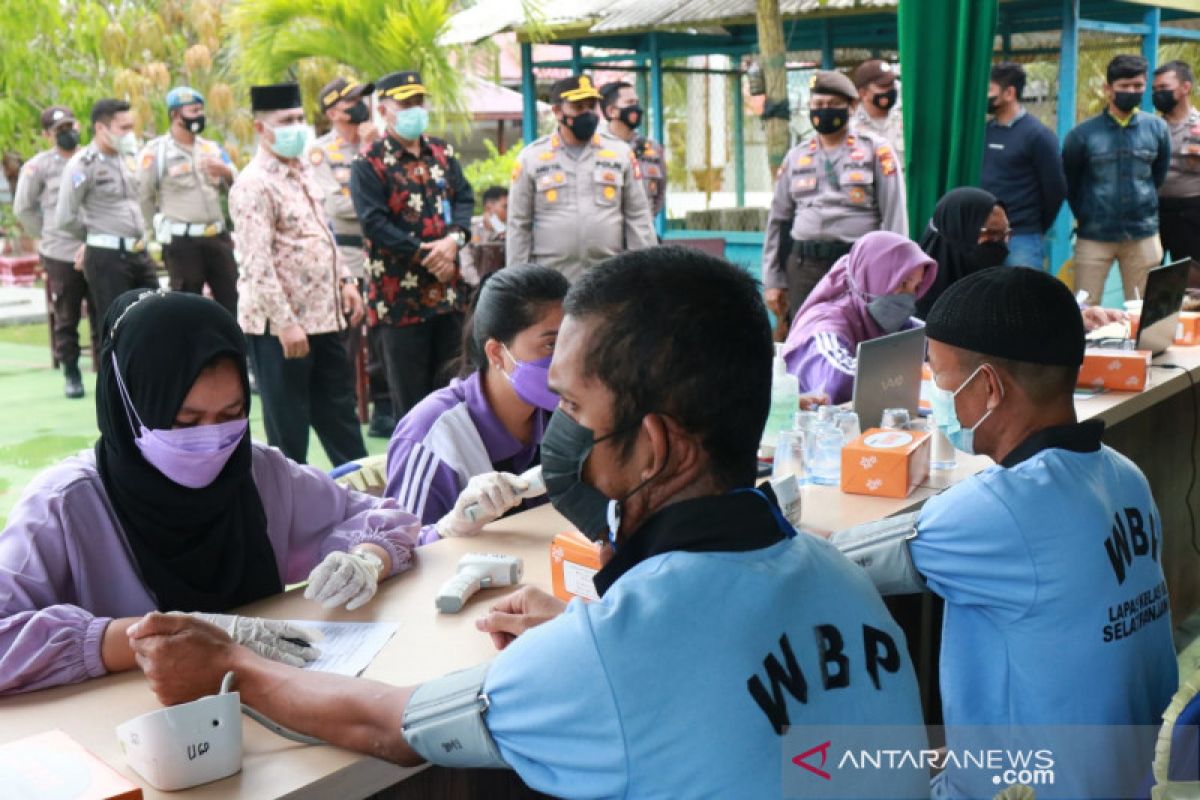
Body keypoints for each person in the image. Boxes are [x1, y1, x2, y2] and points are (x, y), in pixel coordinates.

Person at [128, 246, 928, 798]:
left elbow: (389, 724)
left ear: (651, 446)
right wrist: (590, 621)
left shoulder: (617, 653)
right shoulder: (843, 581)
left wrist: (231, 662)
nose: (562, 431)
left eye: (575, 408)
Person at [834, 267, 1178, 797]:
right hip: (1123, 776)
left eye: (942, 381)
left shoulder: (1000, 509)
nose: (936, 401)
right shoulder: (1124, 476)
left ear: (990, 386)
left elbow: (838, 563)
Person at [0, 290, 420, 696]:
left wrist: (367, 560)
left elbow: (384, 519)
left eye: (231, 415)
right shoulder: (64, 507)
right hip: (136, 738)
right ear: (128, 407)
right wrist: (162, 640)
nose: (212, 441)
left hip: (270, 704)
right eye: (185, 421)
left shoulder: (258, 472)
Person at [230, 82, 367, 466]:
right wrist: (286, 324)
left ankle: (367, 506)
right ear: (261, 129)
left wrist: (346, 282)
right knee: (289, 431)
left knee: (341, 417)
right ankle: (289, 514)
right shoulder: (253, 184)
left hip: (324, 318)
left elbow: (324, 233)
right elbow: (257, 264)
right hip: (281, 329)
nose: (297, 127)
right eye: (286, 120)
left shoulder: (304, 171)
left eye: (300, 119)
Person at [384, 264, 567, 544]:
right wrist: (449, 528)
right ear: (496, 352)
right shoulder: (432, 435)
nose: (568, 360)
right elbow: (395, 549)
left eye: (571, 341)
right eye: (551, 345)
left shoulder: (564, 413)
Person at [350, 70, 474, 420]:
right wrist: (428, 254)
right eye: (405, 104)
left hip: (448, 295)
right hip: (400, 303)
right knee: (413, 405)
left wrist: (453, 241)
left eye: (419, 102)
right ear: (384, 111)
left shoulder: (442, 152)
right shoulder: (368, 162)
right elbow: (374, 223)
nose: (414, 110)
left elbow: (464, 198)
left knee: (455, 396)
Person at [763, 70, 908, 326]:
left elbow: (895, 217)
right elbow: (777, 221)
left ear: (851, 107)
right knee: (806, 339)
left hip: (857, 263)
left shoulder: (876, 151)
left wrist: (896, 275)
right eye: (817, 105)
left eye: (832, 105)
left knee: (859, 335)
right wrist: (773, 280)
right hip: (805, 265)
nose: (824, 110)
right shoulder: (796, 156)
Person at [306, 76, 394, 438]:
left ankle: (384, 406)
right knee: (349, 335)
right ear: (332, 111)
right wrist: (367, 161)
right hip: (347, 251)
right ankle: (343, 406)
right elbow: (337, 205)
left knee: (384, 331)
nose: (360, 107)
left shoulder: (384, 145)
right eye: (351, 101)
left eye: (362, 99)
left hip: (384, 248)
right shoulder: (321, 152)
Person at [506, 75, 655, 282]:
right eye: (578, 106)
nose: (587, 113)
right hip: (552, 281)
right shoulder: (532, 158)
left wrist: (648, 275)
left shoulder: (620, 153)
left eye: (591, 106)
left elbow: (638, 217)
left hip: (608, 279)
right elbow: (518, 225)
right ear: (557, 111)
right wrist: (517, 283)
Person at [1063, 54, 1171, 304]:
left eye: (1138, 86)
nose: (1131, 92)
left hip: (1143, 234)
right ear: (1108, 88)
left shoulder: (1157, 129)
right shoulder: (1082, 135)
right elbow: (1071, 183)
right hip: (1094, 236)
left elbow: (1157, 177)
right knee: (1083, 309)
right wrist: (1088, 213)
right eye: (1124, 86)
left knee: (1145, 311)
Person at [781, 231, 936, 405]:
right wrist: (907, 373)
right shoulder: (825, 322)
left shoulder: (882, 316)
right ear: (876, 276)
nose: (909, 297)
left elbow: (933, 342)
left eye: (916, 287)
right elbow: (838, 382)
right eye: (903, 283)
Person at [13, 105, 93, 399]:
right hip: (61, 251)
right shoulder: (39, 167)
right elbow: (23, 208)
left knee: (106, 313)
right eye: (59, 130)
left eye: (70, 127)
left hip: (98, 246)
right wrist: (47, 235)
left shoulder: (92, 158)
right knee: (67, 315)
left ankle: (109, 371)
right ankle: (72, 373)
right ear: (47, 135)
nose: (67, 134)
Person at [55, 98, 158, 325]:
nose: (129, 134)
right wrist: (96, 236)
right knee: (118, 324)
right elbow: (65, 217)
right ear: (101, 128)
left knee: (156, 317)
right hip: (107, 256)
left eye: (131, 127)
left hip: (139, 252)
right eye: (124, 128)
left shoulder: (129, 158)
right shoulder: (83, 164)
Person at [137, 86, 238, 316]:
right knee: (186, 305)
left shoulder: (211, 148)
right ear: (175, 115)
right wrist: (150, 235)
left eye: (201, 110)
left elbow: (237, 186)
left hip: (217, 238)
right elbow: (144, 195)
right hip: (183, 241)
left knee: (232, 300)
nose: (199, 116)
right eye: (193, 111)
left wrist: (226, 172)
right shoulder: (157, 152)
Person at [981, 62, 1068, 270]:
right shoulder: (984, 132)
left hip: (1022, 237)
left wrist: (1034, 225)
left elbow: (1055, 189)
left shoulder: (1038, 135)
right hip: (983, 236)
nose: (985, 96)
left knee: (1022, 296)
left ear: (1009, 93)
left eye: (989, 90)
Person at [915, 187, 1010, 318]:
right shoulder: (908, 304)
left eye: (1005, 234)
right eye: (991, 233)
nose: (1001, 243)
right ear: (958, 232)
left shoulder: (1004, 296)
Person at [1152, 59, 1200, 286]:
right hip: (1155, 213)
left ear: (1185, 88)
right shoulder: (1150, 127)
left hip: (1191, 213)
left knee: (1193, 282)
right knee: (1153, 280)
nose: (1158, 93)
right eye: (1155, 89)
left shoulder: (1198, 126)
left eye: (1164, 88)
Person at [599, 80, 668, 220]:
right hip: (607, 235)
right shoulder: (596, 148)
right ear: (611, 111)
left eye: (636, 103)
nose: (636, 108)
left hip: (643, 234)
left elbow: (660, 194)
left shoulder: (652, 149)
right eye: (630, 103)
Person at [851, 59, 905, 162]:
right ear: (863, 93)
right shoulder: (851, 128)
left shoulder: (904, 120)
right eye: (883, 86)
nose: (890, 90)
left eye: (892, 85)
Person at [459, 185, 508, 286]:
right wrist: (481, 287)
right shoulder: (468, 229)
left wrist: (498, 226)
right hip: (474, 288)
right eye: (505, 207)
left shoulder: (508, 232)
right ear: (489, 207)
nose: (509, 211)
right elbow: (464, 263)